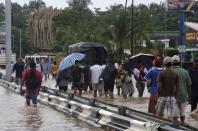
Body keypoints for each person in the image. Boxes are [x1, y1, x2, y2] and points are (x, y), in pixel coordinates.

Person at [172, 55, 192, 123]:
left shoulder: (170, 72)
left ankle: (176, 128)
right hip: (184, 96)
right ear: (179, 62)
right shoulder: (185, 72)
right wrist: (189, 97)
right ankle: (182, 125)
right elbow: (189, 85)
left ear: (172, 63)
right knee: (182, 114)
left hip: (174, 96)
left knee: (175, 116)